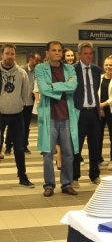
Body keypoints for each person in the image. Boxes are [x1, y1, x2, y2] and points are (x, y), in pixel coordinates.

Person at [35, 41, 79, 197]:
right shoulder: (40, 68)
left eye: (59, 50)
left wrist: (52, 86)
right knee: (48, 154)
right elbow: (43, 89)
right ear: (47, 53)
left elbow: (73, 87)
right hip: (50, 117)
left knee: (68, 154)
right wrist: (64, 86)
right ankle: (49, 185)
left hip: (67, 117)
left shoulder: (69, 68)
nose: (57, 53)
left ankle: (67, 184)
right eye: (53, 50)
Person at [0, 43, 34, 187]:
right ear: (2, 55)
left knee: (19, 148)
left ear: (15, 55)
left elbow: (25, 94)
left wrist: (17, 104)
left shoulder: (21, 73)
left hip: (16, 115)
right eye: (7, 53)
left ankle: (23, 177)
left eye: (12, 54)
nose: (10, 56)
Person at [72, 42, 102, 186]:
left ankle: (94, 175)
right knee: (76, 146)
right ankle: (74, 176)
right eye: (86, 53)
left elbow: (95, 89)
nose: (89, 56)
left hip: (94, 112)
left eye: (91, 53)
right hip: (79, 112)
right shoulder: (72, 70)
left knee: (95, 146)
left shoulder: (97, 70)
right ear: (79, 54)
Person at [98, 55, 112, 171]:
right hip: (99, 109)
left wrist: (104, 104)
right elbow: (96, 93)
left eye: (110, 65)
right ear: (103, 66)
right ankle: (98, 159)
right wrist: (100, 107)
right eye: (106, 65)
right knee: (98, 136)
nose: (108, 67)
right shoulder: (99, 78)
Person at [20, 51, 41, 154]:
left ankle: (24, 145)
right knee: (14, 125)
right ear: (30, 59)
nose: (38, 62)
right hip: (19, 102)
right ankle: (9, 145)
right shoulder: (21, 70)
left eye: (39, 61)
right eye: (37, 60)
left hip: (29, 103)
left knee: (26, 126)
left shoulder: (38, 72)